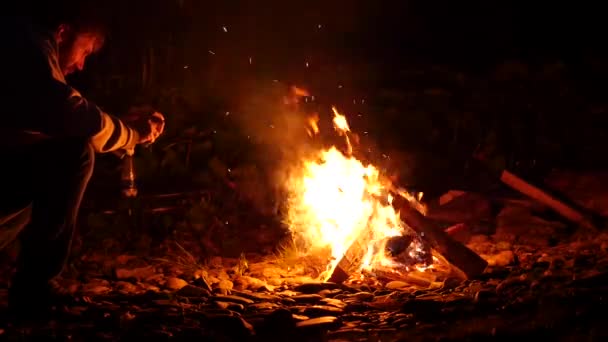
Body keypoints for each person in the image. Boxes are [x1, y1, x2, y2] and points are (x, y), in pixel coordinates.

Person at [0, 2, 165, 319]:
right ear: (63, 33)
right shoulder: (26, 46)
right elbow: (68, 113)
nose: (81, 65)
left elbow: (52, 122)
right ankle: (34, 291)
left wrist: (118, 126)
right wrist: (132, 133)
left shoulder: (21, 42)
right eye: (85, 51)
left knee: (62, 150)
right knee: (71, 156)